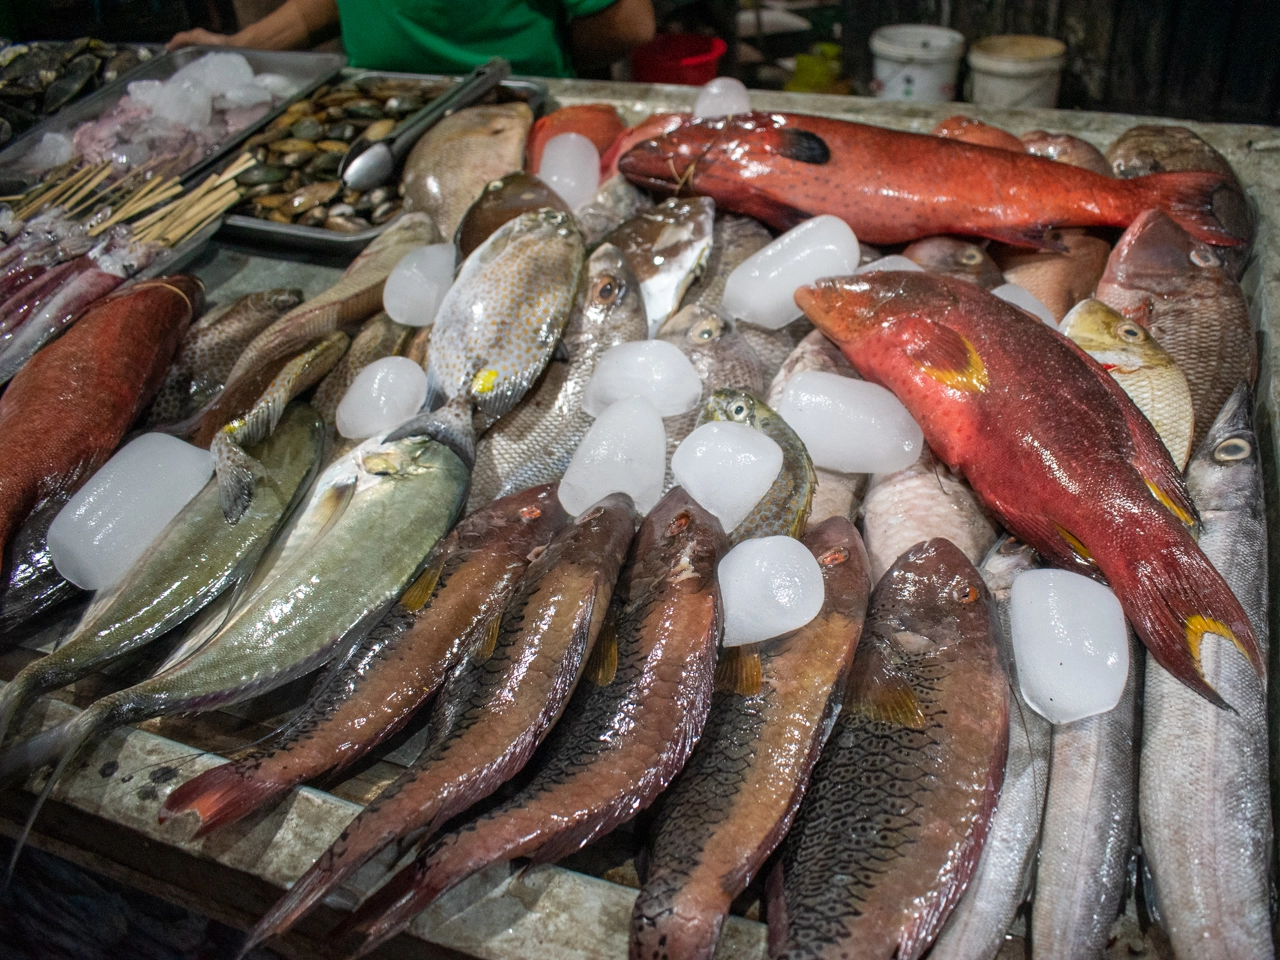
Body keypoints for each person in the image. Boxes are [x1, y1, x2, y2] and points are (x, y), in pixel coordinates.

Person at [168, 0, 655, 78]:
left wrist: (546, 68)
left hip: (506, 121)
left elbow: (626, 22)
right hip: (378, 115)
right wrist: (241, 48)